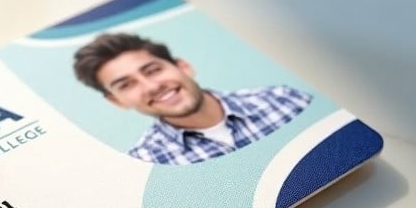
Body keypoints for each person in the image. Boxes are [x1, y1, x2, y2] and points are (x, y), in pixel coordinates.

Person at [73, 32, 313, 165]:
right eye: (126, 85)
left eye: (153, 70)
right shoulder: (144, 165)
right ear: (117, 101)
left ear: (184, 66)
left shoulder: (282, 100)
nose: (152, 86)